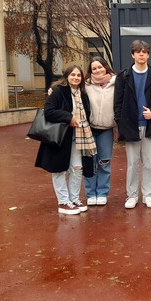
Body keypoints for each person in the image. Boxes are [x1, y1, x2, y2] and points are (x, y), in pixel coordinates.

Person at [114, 40, 151, 209]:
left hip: (150, 126)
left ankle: (148, 195)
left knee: (149, 163)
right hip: (131, 126)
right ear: (132, 54)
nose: (141, 54)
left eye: (145, 52)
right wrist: (120, 122)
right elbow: (117, 102)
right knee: (132, 164)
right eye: (138, 52)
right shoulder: (123, 75)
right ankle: (132, 196)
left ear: (148, 55)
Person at [35, 65, 96, 215]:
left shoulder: (83, 94)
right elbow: (49, 111)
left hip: (79, 137)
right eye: (73, 75)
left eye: (78, 75)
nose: (76, 77)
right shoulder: (58, 91)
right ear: (66, 76)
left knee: (77, 169)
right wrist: (69, 118)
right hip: (61, 138)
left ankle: (74, 198)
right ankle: (63, 202)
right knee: (59, 170)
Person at [83, 57, 117, 206]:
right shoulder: (85, 85)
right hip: (88, 130)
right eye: (94, 68)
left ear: (105, 67)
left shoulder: (115, 83)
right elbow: (66, 87)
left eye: (100, 67)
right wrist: (53, 88)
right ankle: (91, 193)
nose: (98, 70)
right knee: (89, 162)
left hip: (106, 130)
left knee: (104, 162)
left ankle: (102, 192)